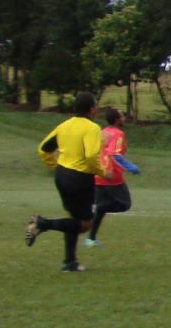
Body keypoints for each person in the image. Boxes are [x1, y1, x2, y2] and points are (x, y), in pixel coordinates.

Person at [25, 91, 104, 272]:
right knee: (85, 224)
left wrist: (55, 167)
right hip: (80, 178)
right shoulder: (92, 128)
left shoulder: (64, 126)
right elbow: (91, 155)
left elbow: (43, 149)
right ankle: (42, 223)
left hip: (62, 175)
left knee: (73, 218)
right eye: (96, 106)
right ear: (92, 109)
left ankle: (70, 262)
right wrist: (101, 172)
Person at [87, 106, 137, 247]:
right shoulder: (118, 133)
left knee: (101, 208)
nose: (124, 118)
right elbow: (114, 154)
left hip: (99, 175)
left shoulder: (102, 132)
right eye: (122, 116)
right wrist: (130, 167)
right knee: (124, 204)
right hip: (112, 177)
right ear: (116, 120)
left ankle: (90, 239)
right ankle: (98, 208)